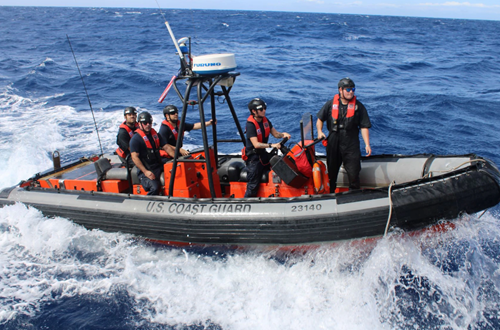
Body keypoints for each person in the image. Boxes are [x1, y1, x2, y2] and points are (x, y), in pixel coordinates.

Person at [316, 77, 372, 192]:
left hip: (350, 142)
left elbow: (364, 126)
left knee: (354, 171)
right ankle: (331, 192)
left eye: (353, 89)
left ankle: (354, 193)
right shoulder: (330, 104)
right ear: (340, 90)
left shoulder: (358, 107)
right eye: (348, 89)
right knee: (332, 171)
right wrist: (320, 131)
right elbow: (320, 119)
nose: (351, 92)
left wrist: (367, 144)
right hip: (333, 141)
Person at [244, 98, 291, 197]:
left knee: (278, 165)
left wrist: (283, 135)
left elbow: (275, 133)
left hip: (263, 154)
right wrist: (271, 145)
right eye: (261, 109)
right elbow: (256, 144)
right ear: (254, 111)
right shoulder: (251, 125)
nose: (264, 111)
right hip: (254, 159)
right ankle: (248, 202)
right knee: (253, 186)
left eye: (264, 108)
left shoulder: (265, 120)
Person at [129, 111, 175, 195]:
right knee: (155, 188)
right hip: (146, 169)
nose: (148, 125)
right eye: (145, 123)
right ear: (139, 124)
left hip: (157, 165)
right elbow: (135, 157)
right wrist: (146, 171)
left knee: (175, 169)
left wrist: (176, 158)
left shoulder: (155, 135)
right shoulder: (135, 139)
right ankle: (147, 203)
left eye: (149, 122)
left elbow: (166, 147)